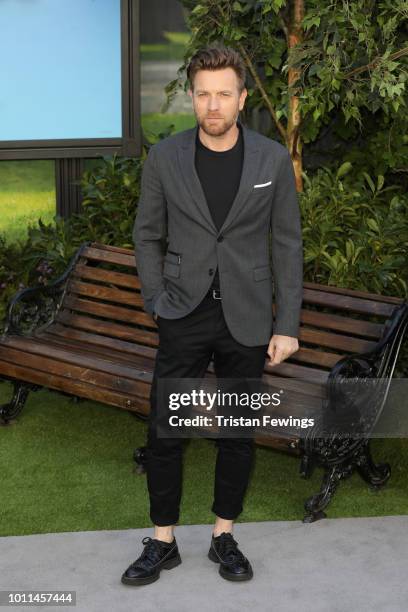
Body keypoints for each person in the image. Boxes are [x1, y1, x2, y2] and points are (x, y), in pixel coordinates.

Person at [122, 44, 303, 587]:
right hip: (182, 312)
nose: (213, 104)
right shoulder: (166, 158)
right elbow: (146, 234)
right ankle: (163, 541)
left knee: (238, 434)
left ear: (242, 98)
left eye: (224, 93)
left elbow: (288, 245)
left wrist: (287, 324)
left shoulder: (271, 160)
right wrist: (157, 301)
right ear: (193, 98)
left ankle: (224, 535)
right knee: (166, 432)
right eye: (203, 93)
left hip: (248, 317)